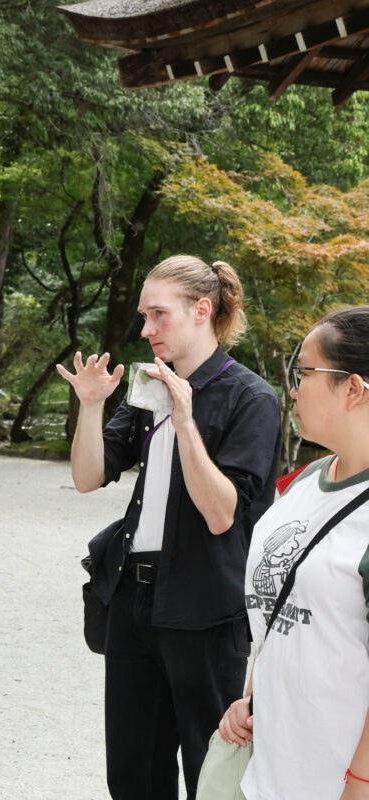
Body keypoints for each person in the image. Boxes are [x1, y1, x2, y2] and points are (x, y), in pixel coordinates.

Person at [57, 255, 281, 799]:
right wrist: (90, 406)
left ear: (201, 310)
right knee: (134, 774)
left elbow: (221, 513)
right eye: (143, 316)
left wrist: (185, 422)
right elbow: (89, 476)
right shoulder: (150, 386)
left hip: (206, 609)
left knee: (213, 772)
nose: (146, 329)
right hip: (134, 601)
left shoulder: (251, 398)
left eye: (158, 314)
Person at [219, 306, 369, 800]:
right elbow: (277, 605)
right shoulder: (304, 482)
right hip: (267, 770)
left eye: (303, 373)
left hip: (334, 781)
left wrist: (360, 784)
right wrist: (251, 698)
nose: (293, 388)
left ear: (354, 388)